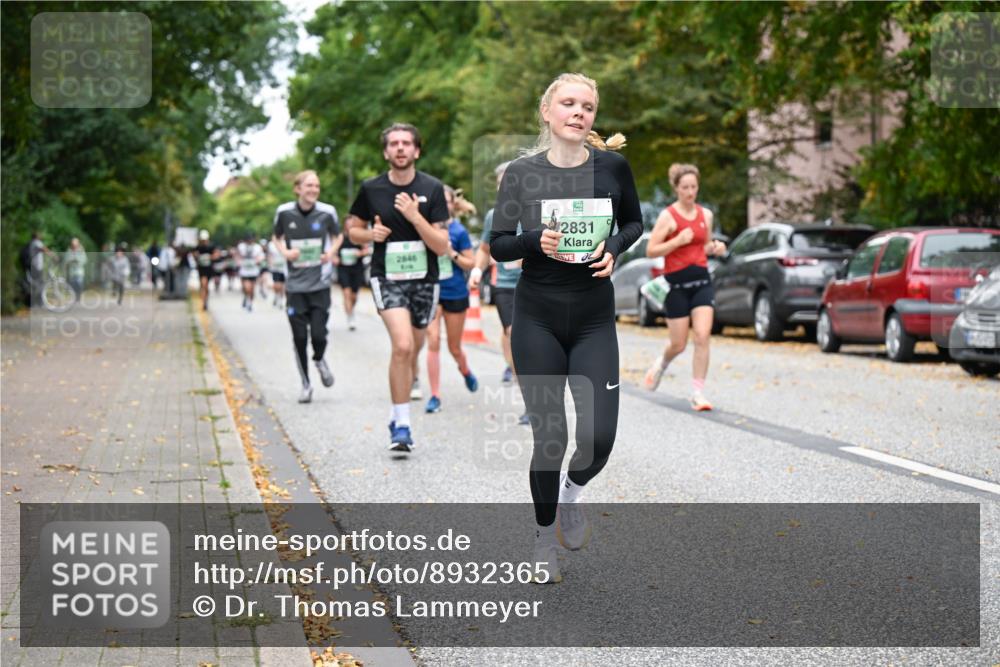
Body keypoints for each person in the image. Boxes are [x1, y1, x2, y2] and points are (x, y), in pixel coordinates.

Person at [489, 73, 642, 583]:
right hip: (537, 316)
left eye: (589, 106)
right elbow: (500, 244)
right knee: (550, 438)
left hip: (594, 317)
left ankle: (572, 495)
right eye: (570, 103)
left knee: (598, 439)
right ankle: (541, 539)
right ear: (548, 112)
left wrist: (614, 250)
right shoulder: (521, 174)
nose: (580, 112)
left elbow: (634, 224)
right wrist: (536, 242)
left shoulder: (613, 168)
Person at [345, 122, 450, 452]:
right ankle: (402, 425)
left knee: (415, 346)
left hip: (424, 280)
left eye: (407, 143)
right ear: (386, 152)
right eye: (394, 143)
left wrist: (414, 217)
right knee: (402, 345)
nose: (401, 148)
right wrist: (369, 236)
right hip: (386, 276)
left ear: (417, 150)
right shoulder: (371, 189)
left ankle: (397, 407)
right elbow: (353, 230)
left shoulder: (432, 189)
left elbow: (442, 245)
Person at [642, 163, 727, 411]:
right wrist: (677, 240)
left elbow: (704, 246)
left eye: (694, 187)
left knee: (702, 336)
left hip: (701, 282)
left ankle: (698, 392)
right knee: (678, 344)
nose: (690, 192)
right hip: (676, 286)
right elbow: (650, 251)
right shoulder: (668, 216)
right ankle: (662, 363)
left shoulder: (706, 215)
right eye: (685, 187)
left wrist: (715, 248)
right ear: (676, 189)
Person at [272, 170, 340, 404]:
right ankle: (306, 384)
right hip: (295, 287)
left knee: (319, 335)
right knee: (299, 337)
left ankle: (319, 359)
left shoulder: (327, 212)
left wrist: (329, 253)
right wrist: (285, 252)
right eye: (309, 186)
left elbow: (338, 236)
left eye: (317, 187)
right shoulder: (284, 212)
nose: (313, 190)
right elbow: (276, 237)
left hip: (319, 284)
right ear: (298, 188)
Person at [469, 161, 523, 393]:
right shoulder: (494, 215)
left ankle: (522, 376)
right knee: (512, 331)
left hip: (532, 283)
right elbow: (483, 248)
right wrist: (477, 270)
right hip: (503, 284)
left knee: (525, 335)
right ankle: (516, 372)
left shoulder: (536, 210)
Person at [424, 186, 479, 414]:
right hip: (431, 291)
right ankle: (435, 395)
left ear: (451, 204)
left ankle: (465, 370)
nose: (442, 205)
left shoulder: (459, 231)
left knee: (454, 347)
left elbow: (471, 263)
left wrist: (450, 253)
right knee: (433, 339)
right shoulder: (426, 229)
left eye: (446, 201)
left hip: (455, 292)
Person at [332, 223, 370, 331]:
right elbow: (333, 251)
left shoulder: (358, 237)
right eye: (348, 225)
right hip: (343, 268)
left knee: (354, 296)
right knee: (346, 293)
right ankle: (350, 317)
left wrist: (360, 253)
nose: (349, 226)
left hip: (356, 268)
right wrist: (335, 258)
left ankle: (351, 309)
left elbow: (367, 250)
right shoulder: (340, 237)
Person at [236, 233, 265, 312]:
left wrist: (258, 261)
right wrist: (238, 262)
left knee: (252, 289)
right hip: (244, 271)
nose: (249, 241)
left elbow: (261, 256)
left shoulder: (257, 247)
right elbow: (237, 255)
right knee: (246, 287)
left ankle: (250, 303)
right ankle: (246, 297)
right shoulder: (241, 246)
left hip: (253, 271)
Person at [193, 230, 219, 311]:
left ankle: (205, 300)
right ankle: (204, 301)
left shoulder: (211, 246)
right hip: (201, 269)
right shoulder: (198, 247)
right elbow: (194, 255)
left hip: (209, 269)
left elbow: (217, 254)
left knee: (206, 285)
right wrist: (197, 257)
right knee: (203, 284)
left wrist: (209, 257)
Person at [266, 236, 287, 309]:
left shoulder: (286, 242)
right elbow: (269, 255)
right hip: (275, 268)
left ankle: (281, 300)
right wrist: (270, 263)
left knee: (283, 285)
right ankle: (277, 296)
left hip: (284, 268)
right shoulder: (271, 244)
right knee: (277, 284)